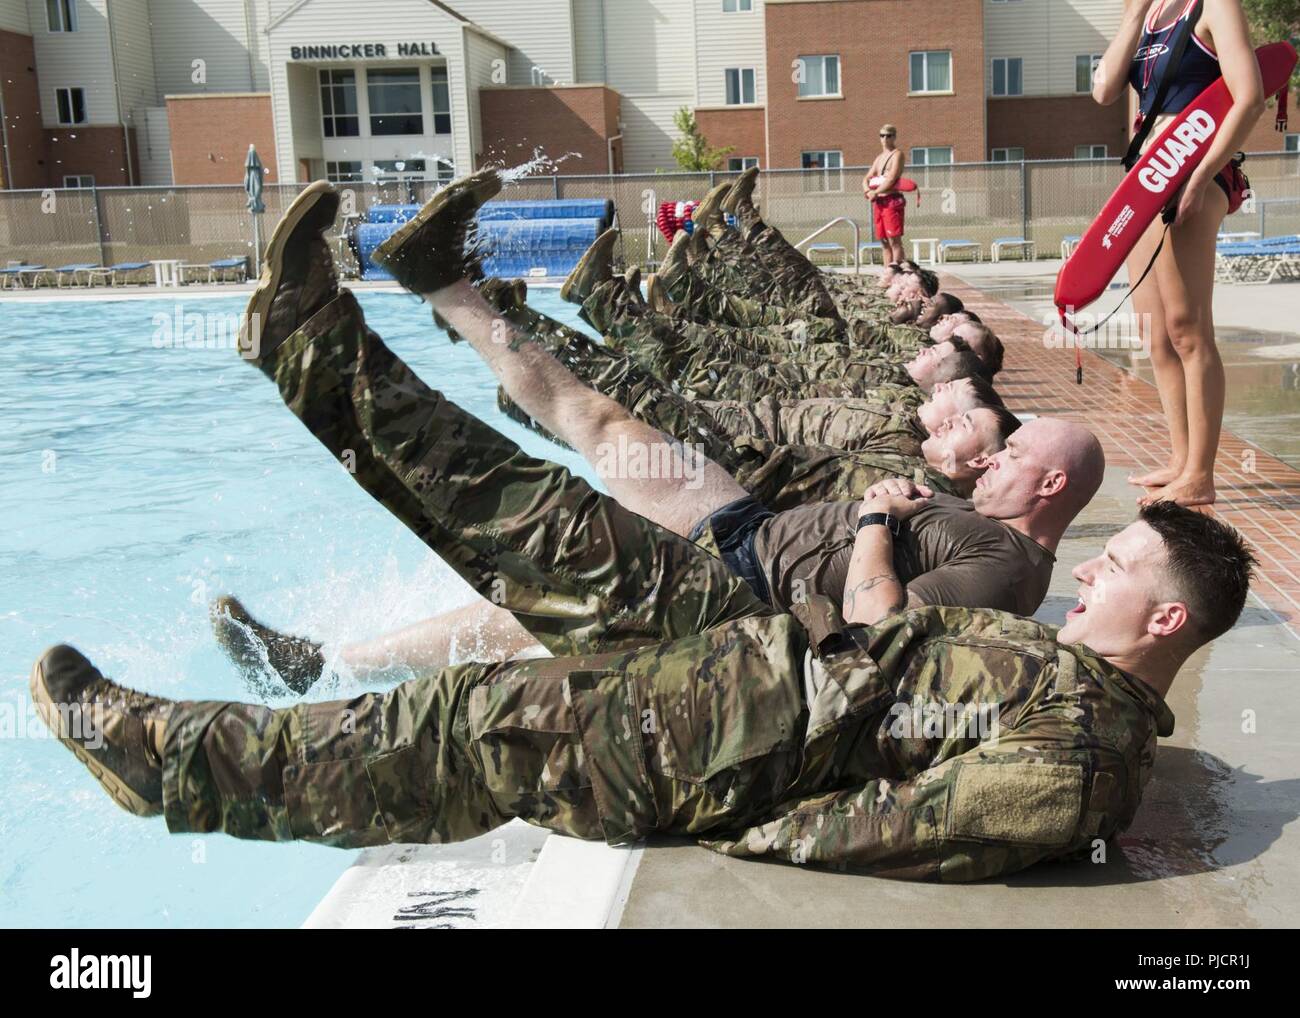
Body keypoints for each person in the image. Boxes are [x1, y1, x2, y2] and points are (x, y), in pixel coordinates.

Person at [28, 175, 1256, 878]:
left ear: (1162, 617)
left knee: (457, 730)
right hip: (731, 656)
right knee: (524, 519)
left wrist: (742, 814)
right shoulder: (1064, 673)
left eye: (1116, 564)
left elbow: (911, 831)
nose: (1087, 567)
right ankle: (312, 340)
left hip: (722, 721)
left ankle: (171, 758)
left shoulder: (1087, 745)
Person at [202, 176, 1094, 696]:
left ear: (1048, 490)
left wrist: (871, 521)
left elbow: (876, 631)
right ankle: (443, 282)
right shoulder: (986, 528)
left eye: (1012, 455)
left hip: (726, 585)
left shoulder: (1008, 567)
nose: (994, 458)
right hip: (740, 525)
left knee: (520, 536)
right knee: (594, 416)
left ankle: (311, 344)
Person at [1093, 0, 1265, 506]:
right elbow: (1104, 90)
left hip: (1194, 172)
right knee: (1157, 335)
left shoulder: (1214, 5)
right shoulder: (1146, 16)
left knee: (1189, 330)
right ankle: (1179, 458)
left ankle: (1201, 474)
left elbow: (1250, 97)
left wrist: (1200, 175)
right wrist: (1131, 14)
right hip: (1146, 180)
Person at [865, 124, 907, 264]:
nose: (885, 138)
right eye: (882, 135)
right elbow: (866, 178)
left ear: (894, 137)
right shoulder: (879, 158)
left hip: (891, 201)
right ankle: (887, 272)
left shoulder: (897, 155)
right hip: (879, 202)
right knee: (883, 241)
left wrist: (875, 192)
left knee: (894, 240)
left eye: (888, 135)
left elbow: (891, 178)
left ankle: (898, 273)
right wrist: (867, 191)